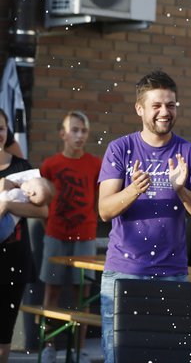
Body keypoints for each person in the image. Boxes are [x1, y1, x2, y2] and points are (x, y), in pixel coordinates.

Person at [97, 70, 191, 363]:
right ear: (140, 109)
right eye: (157, 105)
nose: (165, 112)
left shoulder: (190, 153)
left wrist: (181, 190)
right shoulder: (120, 149)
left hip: (172, 273)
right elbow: (104, 210)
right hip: (124, 272)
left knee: (170, 358)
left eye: (171, 105)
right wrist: (134, 189)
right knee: (121, 358)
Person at [38, 111, 102, 363]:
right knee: (51, 292)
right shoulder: (50, 165)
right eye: (74, 130)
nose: (79, 135)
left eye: (83, 131)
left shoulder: (95, 164)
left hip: (85, 237)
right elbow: (41, 201)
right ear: (62, 133)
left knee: (82, 294)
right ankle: (49, 346)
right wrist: (50, 224)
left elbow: (97, 200)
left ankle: (77, 349)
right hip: (55, 235)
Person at [0, 108, 49, 363]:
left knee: (4, 331)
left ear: (7, 131)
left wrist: (7, 206)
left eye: (0, 127)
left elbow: (43, 209)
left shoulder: (21, 168)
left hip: (13, 262)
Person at [0, 174, 53, 243]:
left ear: (30, 192)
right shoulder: (26, 201)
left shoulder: (19, 193)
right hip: (7, 229)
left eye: (28, 182)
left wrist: (5, 190)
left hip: (5, 223)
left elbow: (5, 198)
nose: (23, 182)